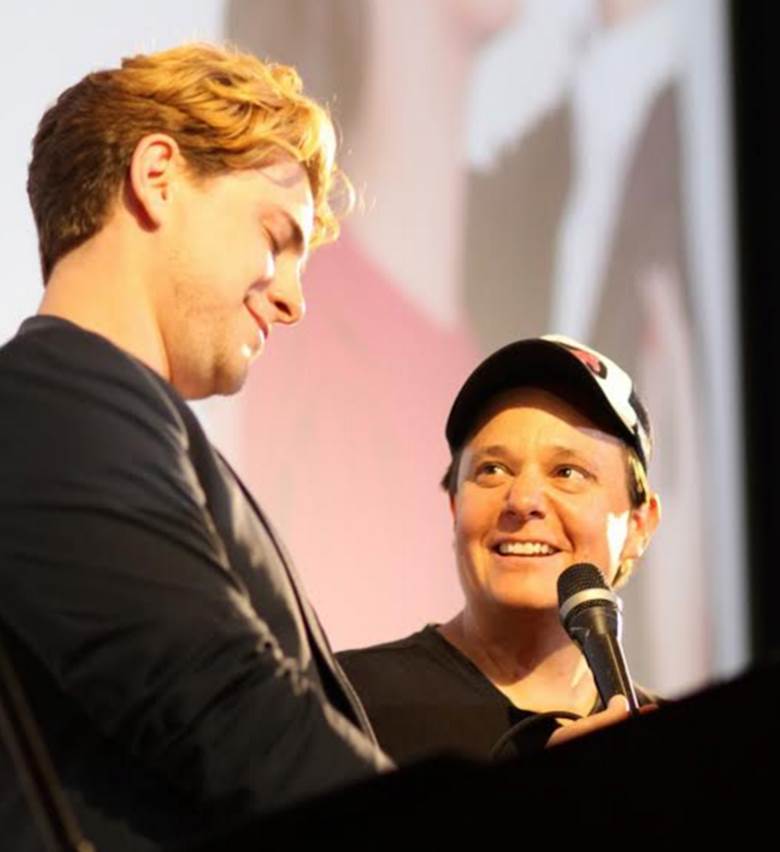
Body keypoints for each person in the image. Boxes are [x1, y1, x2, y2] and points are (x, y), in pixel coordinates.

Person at [0, 43, 389, 852]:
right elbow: (217, 700)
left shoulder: (105, 408)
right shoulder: (56, 389)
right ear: (157, 177)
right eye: (276, 237)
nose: (294, 300)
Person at [338, 335, 661, 765]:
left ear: (639, 525)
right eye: (492, 470)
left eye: (567, 472)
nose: (522, 500)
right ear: (455, 506)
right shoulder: (342, 703)